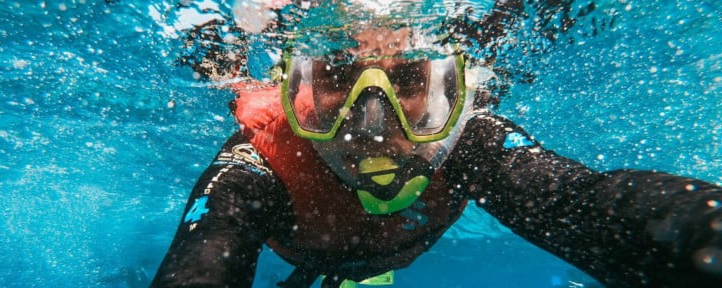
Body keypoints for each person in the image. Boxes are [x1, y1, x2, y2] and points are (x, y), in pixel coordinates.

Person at [151, 1, 722, 287]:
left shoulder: (470, 142)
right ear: (295, 90)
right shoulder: (259, 160)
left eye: (407, 83)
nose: (371, 125)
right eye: (336, 79)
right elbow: (203, 259)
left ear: (452, 91)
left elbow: (585, 204)